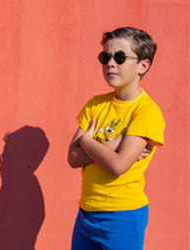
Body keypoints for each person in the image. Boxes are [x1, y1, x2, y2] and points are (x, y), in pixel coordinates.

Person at [67, 27, 165, 250]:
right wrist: (116, 143)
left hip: (122, 215)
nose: (110, 63)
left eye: (120, 57)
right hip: (86, 213)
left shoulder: (146, 112)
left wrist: (88, 142)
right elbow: (72, 158)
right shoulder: (95, 104)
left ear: (143, 65)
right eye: (105, 56)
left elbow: (119, 165)